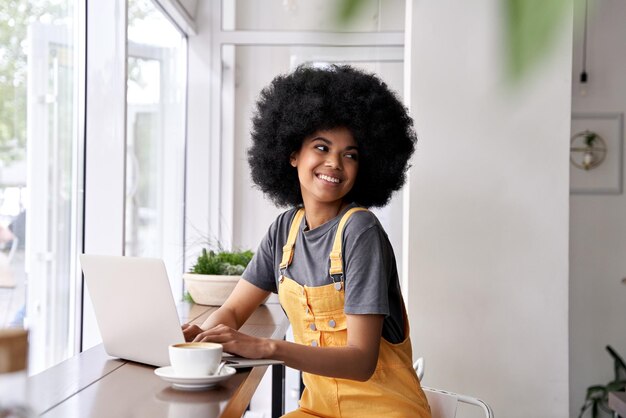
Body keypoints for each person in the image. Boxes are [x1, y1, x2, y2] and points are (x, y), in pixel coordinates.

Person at [183, 65, 431, 417]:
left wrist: (269, 348)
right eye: (321, 147)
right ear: (292, 153)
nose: (335, 163)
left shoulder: (361, 232)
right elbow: (235, 310)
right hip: (317, 410)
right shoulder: (284, 229)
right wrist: (199, 340)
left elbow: (361, 362)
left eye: (350, 154)